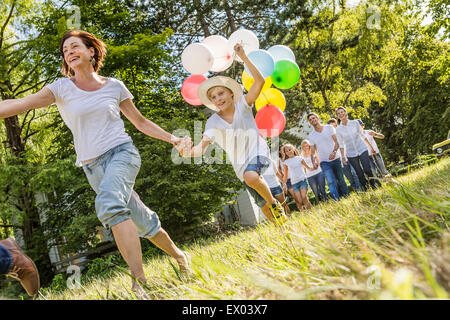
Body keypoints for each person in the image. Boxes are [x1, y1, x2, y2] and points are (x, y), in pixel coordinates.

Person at [0, 30, 191, 297]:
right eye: (65, 50)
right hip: (93, 168)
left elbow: (140, 122)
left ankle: (140, 283)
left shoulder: (114, 86)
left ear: (91, 51)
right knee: (143, 221)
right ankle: (180, 256)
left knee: (111, 206)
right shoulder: (60, 89)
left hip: (122, 154)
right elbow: (19, 103)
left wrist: (173, 139)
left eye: (75, 46)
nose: (69, 51)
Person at [179, 43, 287, 225]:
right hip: (240, 166)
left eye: (221, 93)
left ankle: (274, 202)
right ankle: (282, 230)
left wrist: (244, 56)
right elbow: (200, 149)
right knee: (262, 205)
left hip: (259, 152)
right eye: (213, 97)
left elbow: (259, 82)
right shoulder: (212, 122)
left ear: (231, 94)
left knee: (252, 177)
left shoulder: (243, 105)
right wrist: (186, 152)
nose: (218, 98)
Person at [335, 107, 381, 190]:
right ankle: (367, 190)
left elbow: (362, 135)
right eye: (338, 113)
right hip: (351, 153)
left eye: (342, 112)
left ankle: (374, 187)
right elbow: (341, 144)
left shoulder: (355, 123)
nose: (341, 114)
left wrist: (370, 147)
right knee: (359, 173)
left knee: (367, 169)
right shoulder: (338, 129)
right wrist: (343, 157)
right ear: (337, 116)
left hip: (362, 148)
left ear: (345, 112)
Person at [307, 113, 349, 201]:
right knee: (330, 181)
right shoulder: (311, 136)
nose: (312, 120)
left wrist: (334, 152)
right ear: (309, 123)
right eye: (310, 119)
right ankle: (336, 200)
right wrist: (314, 161)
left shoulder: (329, 128)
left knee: (341, 179)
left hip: (336, 158)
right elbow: (313, 152)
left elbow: (337, 142)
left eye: (313, 118)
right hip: (324, 162)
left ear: (318, 118)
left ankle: (347, 196)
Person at [327, 118, 362, 192]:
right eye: (332, 126)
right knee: (349, 178)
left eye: (335, 125)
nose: (334, 128)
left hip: (350, 155)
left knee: (355, 173)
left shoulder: (342, 132)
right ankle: (357, 191)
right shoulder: (329, 138)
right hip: (341, 160)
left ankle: (361, 190)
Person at [281, 144, 312, 211]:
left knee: (304, 197)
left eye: (290, 149)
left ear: (293, 149)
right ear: (285, 153)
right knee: (299, 201)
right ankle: (303, 213)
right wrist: (284, 184)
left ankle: (310, 211)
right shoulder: (286, 162)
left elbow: (307, 167)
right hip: (294, 183)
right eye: (287, 151)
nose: (289, 152)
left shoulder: (299, 158)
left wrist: (313, 168)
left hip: (302, 180)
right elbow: (285, 175)